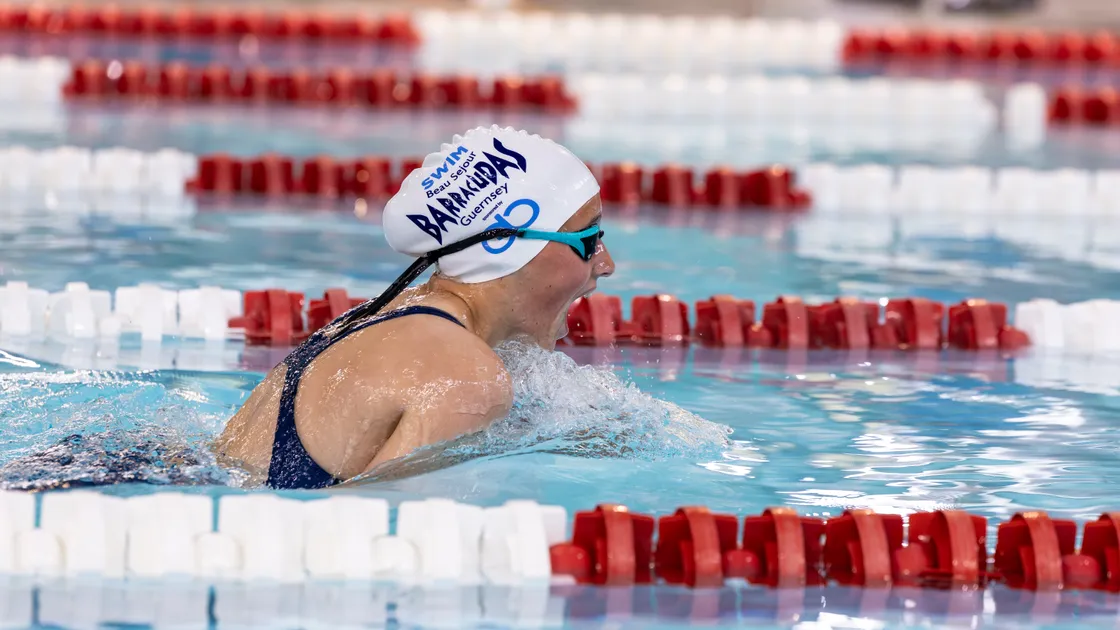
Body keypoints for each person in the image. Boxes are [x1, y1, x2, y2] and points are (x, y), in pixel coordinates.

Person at [216, 126, 615, 490]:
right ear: (506, 244)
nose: (606, 264)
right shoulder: (466, 377)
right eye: (587, 241)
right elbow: (365, 532)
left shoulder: (384, 315)